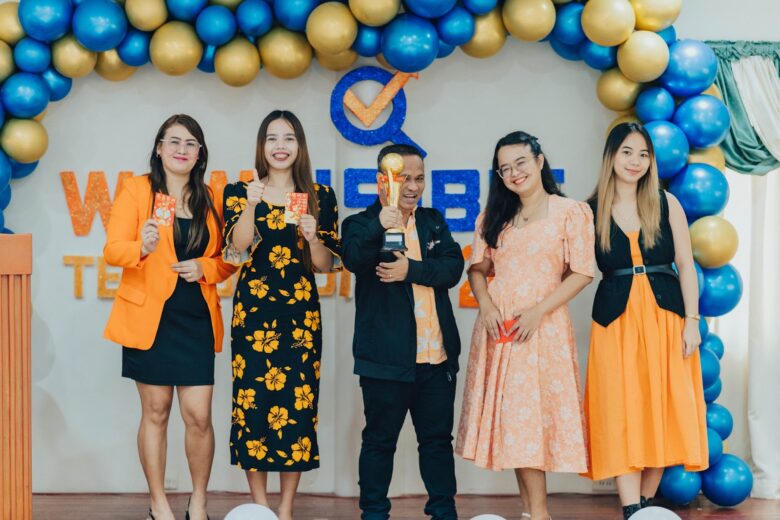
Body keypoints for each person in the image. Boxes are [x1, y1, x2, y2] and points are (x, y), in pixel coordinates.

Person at [456, 131, 595, 520]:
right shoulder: (493, 217)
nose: (514, 172)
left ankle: (539, 513)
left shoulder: (570, 212)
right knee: (515, 424)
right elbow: (478, 269)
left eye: (520, 162)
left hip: (541, 328)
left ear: (539, 160)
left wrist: (537, 312)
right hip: (500, 329)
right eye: (505, 168)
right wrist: (484, 305)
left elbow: (583, 272)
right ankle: (534, 513)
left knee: (532, 419)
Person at [104, 114, 235, 520]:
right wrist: (140, 247)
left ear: (200, 154)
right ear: (159, 148)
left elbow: (229, 258)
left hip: (195, 316)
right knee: (156, 412)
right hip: (150, 319)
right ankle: (158, 503)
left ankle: (198, 501)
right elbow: (112, 251)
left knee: (198, 416)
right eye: (174, 141)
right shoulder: (136, 189)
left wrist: (206, 269)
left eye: (191, 143)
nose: (182, 150)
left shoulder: (212, 197)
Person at [582, 122, 708, 519]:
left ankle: (644, 507)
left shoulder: (666, 202)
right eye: (627, 152)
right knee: (618, 409)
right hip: (614, 323)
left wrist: (692, 321)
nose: (635, 162)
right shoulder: (588, 211)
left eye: (643, 154)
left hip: (666, 319)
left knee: (664, 407)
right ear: (610, 157)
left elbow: (686, 266)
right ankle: (631, 507)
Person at [221, 110, 341, 520]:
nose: (280, 146)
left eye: (288, 138)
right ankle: (259, 507)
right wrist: (251, 208)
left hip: (300, 317)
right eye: (272, 138)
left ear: (300, 146)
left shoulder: (320, 195)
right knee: (252, 405)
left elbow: (325, 265)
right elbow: (235, 253)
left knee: (298, 407)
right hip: (253, 314)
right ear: (261, 146)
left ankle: (286, 509)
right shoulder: (240, 191)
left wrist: (312, 237)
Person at [342, 143, 464, 520]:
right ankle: (374, 513)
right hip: (385, 361)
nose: (413, 186)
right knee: (379, 442)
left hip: (436, 359)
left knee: (437, 444)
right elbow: (354, 258)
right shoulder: (360, 224)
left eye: (419, 178)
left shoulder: (432, 222)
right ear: (384, 181)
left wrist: (410, 270)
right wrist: (382, 223)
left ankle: (443, 513)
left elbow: (452, 268)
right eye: (404, 178)